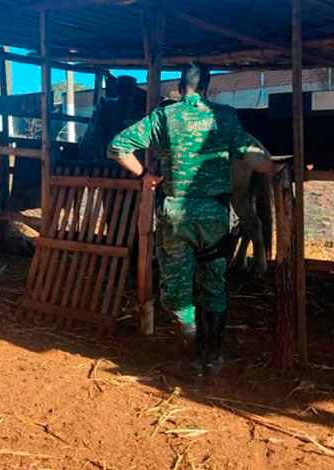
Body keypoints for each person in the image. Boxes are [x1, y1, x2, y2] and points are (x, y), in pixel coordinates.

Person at [106, 63, 281, 379]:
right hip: (215, 219)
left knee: (177, 290)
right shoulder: (225, 117)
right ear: (208, 88)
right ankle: (212, 358)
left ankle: (187, 360)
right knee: (214, 286)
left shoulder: (165, 116)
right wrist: (272, 168)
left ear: (179, 86)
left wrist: (146, 176)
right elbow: (253, 158)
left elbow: (117, 146)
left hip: (177, 218)